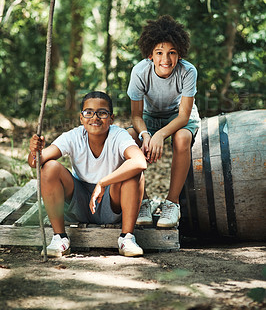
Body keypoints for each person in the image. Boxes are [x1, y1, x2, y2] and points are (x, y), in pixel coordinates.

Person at [28, 91, 147, 258]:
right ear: (81, 117)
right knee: (49, 167)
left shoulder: (118, 135)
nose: (95, 117)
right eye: (88, 112)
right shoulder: (74, 136)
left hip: (111, 203)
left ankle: (126, 238)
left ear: (111, 118)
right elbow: (36, 162)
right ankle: (59, 238)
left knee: (134, 174)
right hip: (80, 202)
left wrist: (103, 182)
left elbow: (140, 161)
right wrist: (34, 150)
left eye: (102, 113)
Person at [127, 15, 200, 228]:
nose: (165, 60)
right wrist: (146, 134)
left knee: (182, 137)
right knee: (130, 137)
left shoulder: (188, 71)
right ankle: (143, 201)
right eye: (159, 53)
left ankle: (172, 203)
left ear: (180, 53)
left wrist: (160, 135)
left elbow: (184, 117)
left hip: (178, 116)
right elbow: (136, 116)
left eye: (172, 53)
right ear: (150, 54)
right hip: (149, 117)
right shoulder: (140, 72)